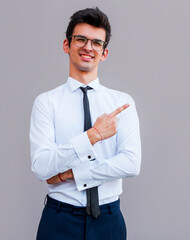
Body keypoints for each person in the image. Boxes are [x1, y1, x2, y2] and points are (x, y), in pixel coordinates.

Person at [29, 7, 141, 240]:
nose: (88, 47)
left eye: (96, 43)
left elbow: (131, 163)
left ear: (104, 52)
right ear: (66, 45)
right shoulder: (46, 103)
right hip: (59, 219)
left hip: (108, 220)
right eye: (80, 39)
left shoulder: (122, 103)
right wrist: (92, 136)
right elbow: (41, 166)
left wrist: (72, 173)